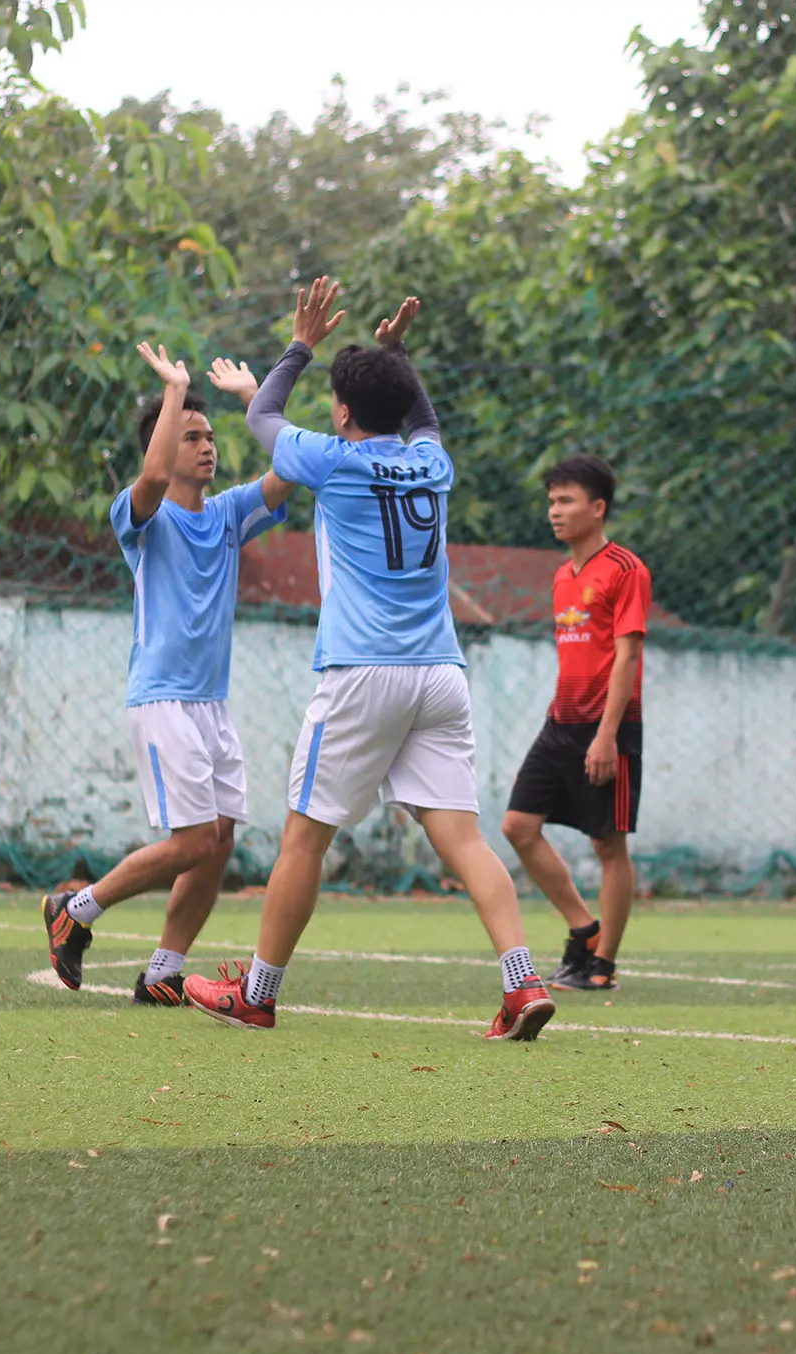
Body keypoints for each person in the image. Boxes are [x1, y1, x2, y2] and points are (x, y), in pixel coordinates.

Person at [182, 278, 555, 1040]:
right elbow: (423, 418)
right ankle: (522, 981)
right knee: (464, 838)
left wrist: (300, 345)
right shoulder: (431, 463)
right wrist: (396, 354)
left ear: (344, 412)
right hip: (440, 674)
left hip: (362, 673)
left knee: (304, 838)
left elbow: (261, 414)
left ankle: (257, 992)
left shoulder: (332, 460)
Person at [40, 345, 290, 1005]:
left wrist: (255, 399)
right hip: (162, 700)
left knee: (220, 839)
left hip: (212, 704)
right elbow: (152, 473)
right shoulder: (142, 517)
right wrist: (175, 388)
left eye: (210, 437)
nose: (207, 447)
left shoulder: (230, 513)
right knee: (193, 841)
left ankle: (162, 973)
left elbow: (293, 470)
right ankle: (75, 909)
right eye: (191, 437)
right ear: (163, 444)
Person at [502, 456, 651, 991]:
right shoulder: (563, 576)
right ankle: (584, 929)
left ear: (598, 507)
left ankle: (602, 965)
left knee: (608, 844)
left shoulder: (626, 570)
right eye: (551, 501)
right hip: (560, 722)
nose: (555, 511)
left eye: (566, 501)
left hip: (608, 726)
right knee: (518, 826)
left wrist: (607, 736)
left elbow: (627, 656)